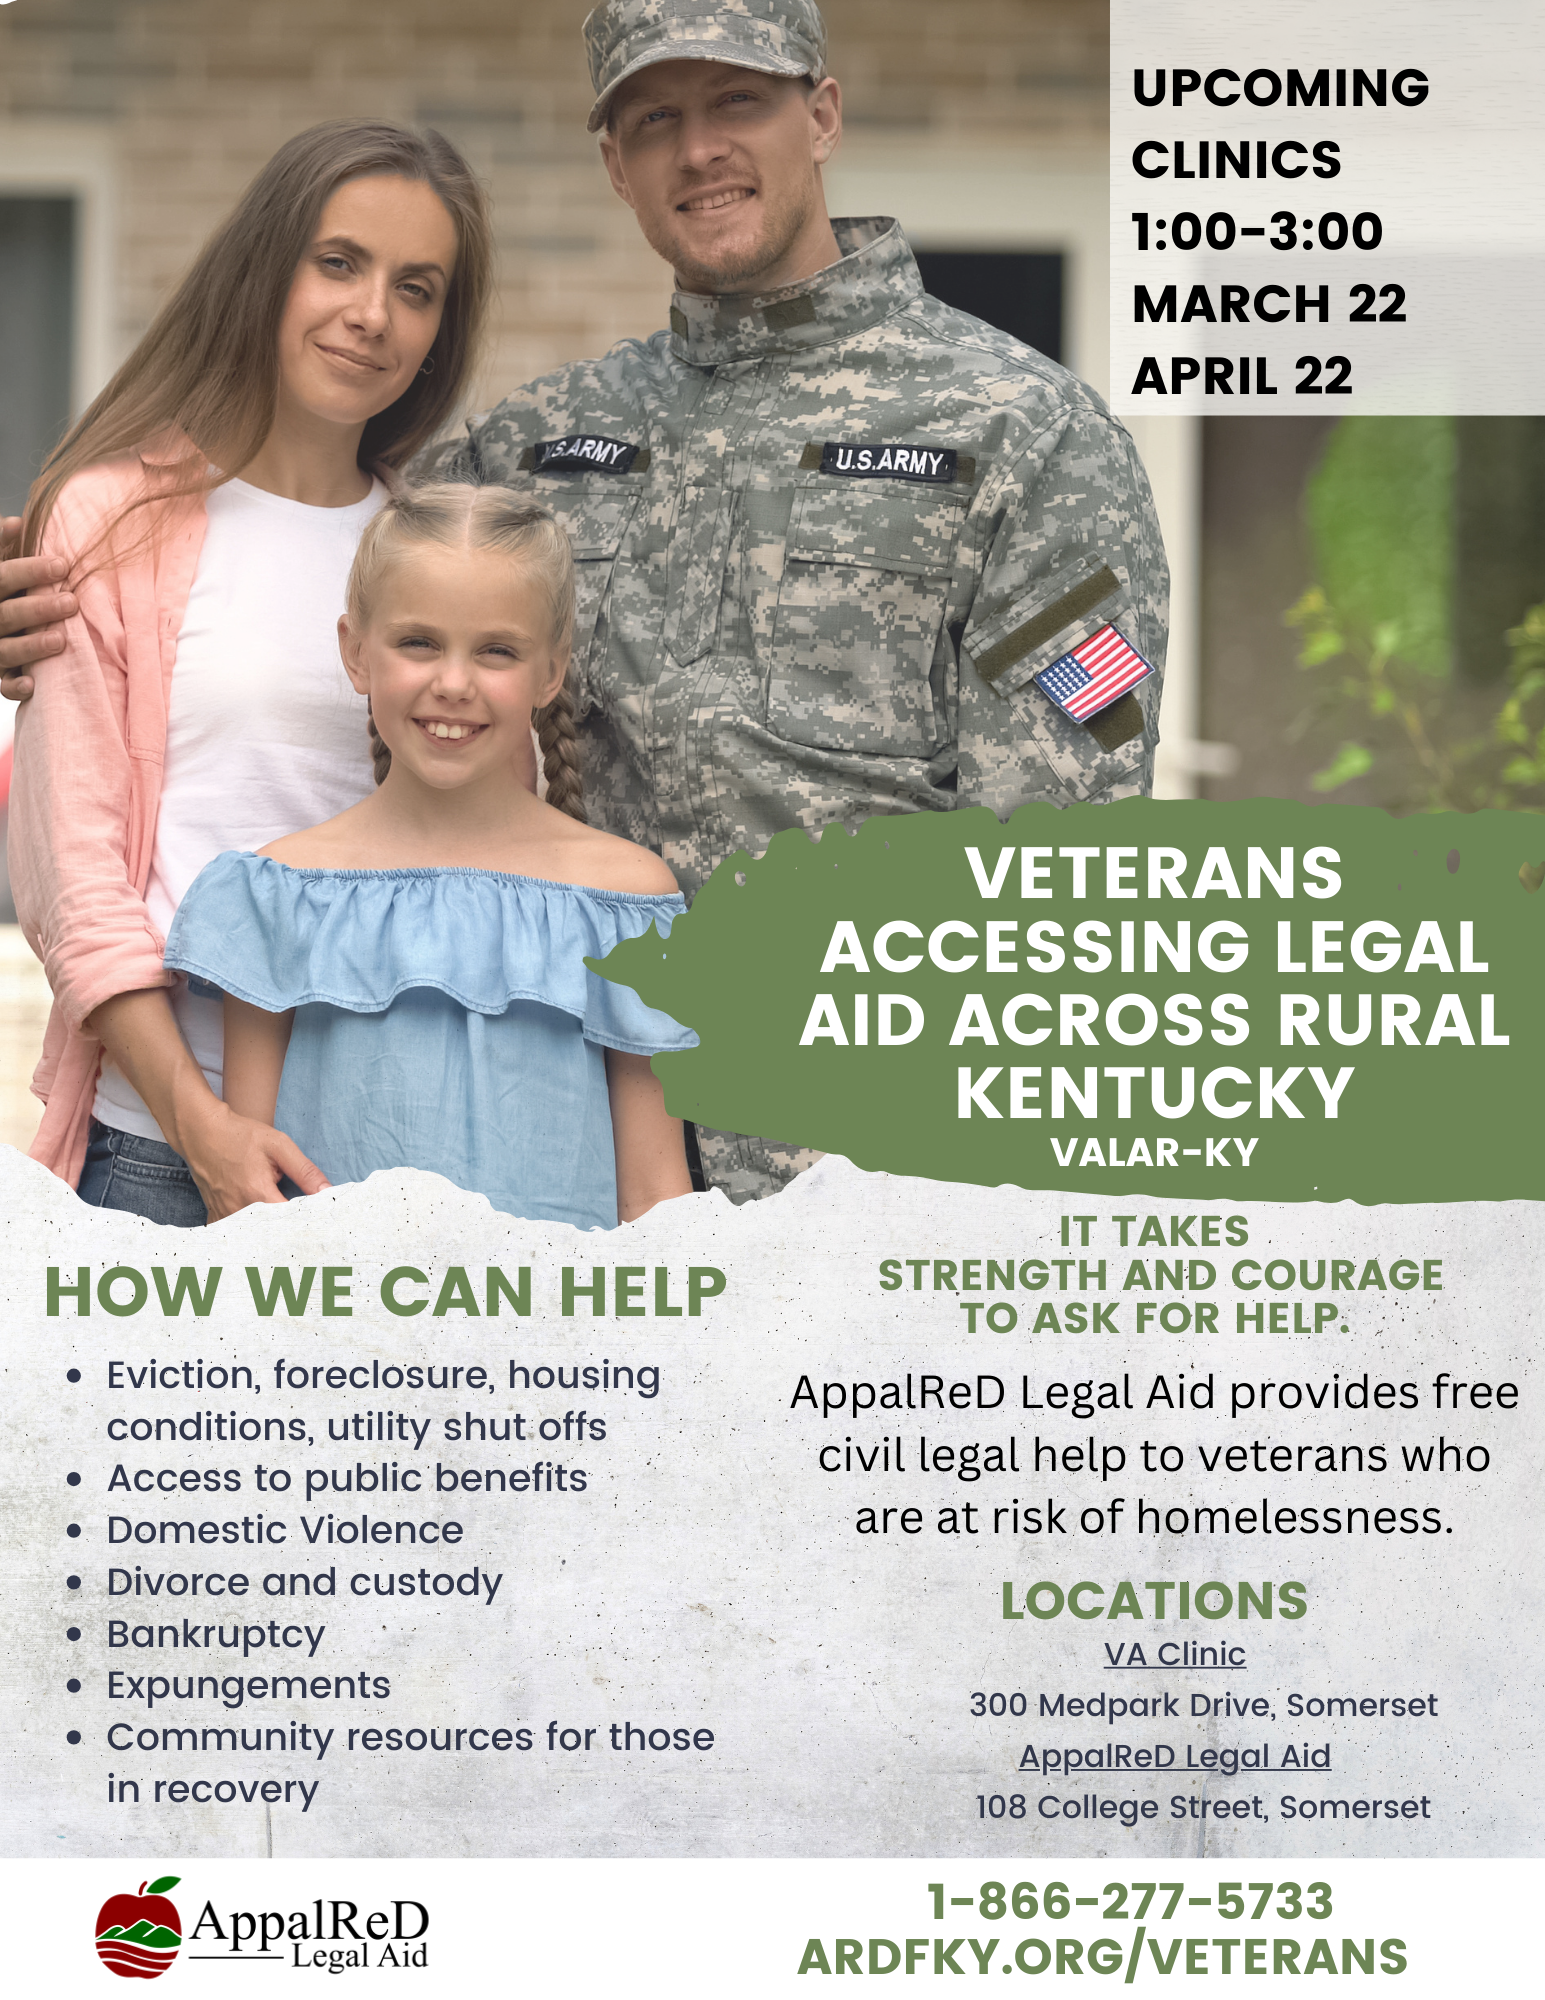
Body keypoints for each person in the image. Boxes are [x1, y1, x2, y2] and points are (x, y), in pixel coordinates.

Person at [2, 0, 1169, 1206]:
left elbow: (1062, 858)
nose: (699, 149)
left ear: (822, 114)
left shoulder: (1030, 438)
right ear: (614, 161)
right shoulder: (538, 447)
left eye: (740, 102)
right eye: (655, 117)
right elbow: (311, 591)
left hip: (861, 1177)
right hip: (552, 1172)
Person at [6, 119, 497, 1224]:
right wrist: (202, 1129)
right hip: (163, 1156)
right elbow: (76, 884)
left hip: (403, 1148)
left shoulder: (434, 552)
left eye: (416, 288)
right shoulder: (111, 522)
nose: (373, 314)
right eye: (339, 263)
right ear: (265, 265)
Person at [164, 485, 694, 1228]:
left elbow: (655, 1201)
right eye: (418, 642)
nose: (452, 683)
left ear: (550, 672)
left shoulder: (626, 903)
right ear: (356, 652)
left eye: (496, 651)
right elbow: (249, 1211)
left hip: (564, 1337)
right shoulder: (278, 894)